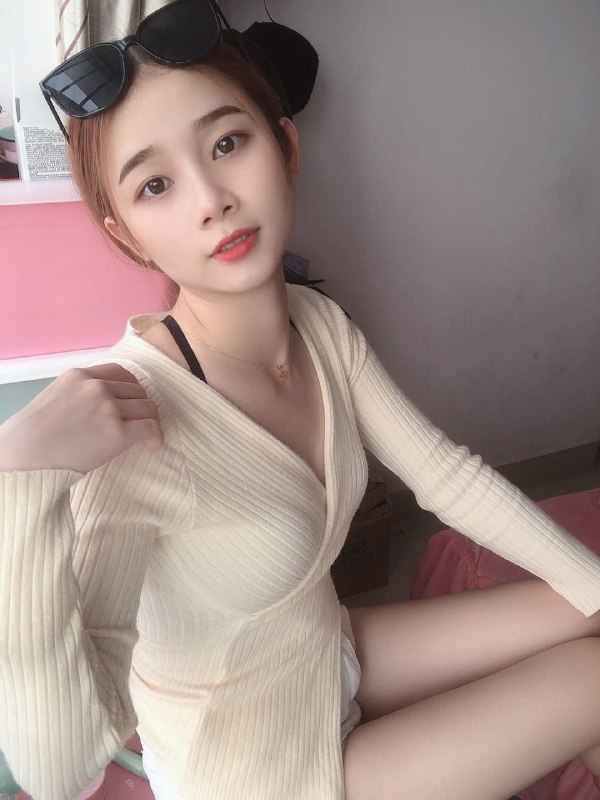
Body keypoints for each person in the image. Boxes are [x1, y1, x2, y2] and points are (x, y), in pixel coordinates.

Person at [2, 3, 600, 799]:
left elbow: (446, 476)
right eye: (156, 185)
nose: (211, 199)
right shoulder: (136, 419)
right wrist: (16, 484)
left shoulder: (317, 323)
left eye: (227, 143)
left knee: (589, 605)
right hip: (259, 771)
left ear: (284, 145)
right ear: (127, 235)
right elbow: (59, 769)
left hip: (324, 651)